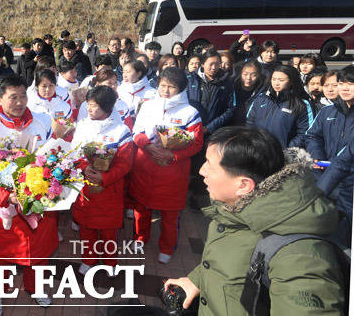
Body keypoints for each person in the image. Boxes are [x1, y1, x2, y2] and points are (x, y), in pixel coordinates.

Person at [164, 126, 346, 315]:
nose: (202, 171)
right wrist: (197, 279)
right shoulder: (236, 209)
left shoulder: (300, 257)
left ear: (243, 185)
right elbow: (231, 264)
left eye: (210, 164)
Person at [0, 74, 56, 314]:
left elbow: (55, 157)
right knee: (0, 255)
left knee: (39, 253)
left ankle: (36, 288)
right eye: (13, 97)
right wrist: (5, 195)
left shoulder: (42, 121)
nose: (20, 102)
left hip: (38, 203)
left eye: (23, 96)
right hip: (4, 205)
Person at [131, 67, 204, 264]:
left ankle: (167, 247)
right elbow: (136, 132)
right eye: (163, 85)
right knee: (141, 208)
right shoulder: (148, 106)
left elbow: (196, 143)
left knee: (170, 216)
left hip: (172, 172)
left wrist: (172, 155)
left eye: (171, 87)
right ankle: (140, 237)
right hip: (145, 165)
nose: (166, 90)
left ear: (180, 89)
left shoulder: (190, 113)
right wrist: (148, 146)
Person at [71, 85, 133, 273]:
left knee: (108, 231)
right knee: (87, 228)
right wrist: (84, 168)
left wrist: (104, 177)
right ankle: (88, 260)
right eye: (88, 104)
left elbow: (125, 164)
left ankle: (110, 262)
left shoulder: (121, 131)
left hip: (109, 191)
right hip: (86, 187)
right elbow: (74, 154)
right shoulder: (82, 126)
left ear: (107, 108)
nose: (89, 109)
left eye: (94, 106)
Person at [306, 66, 354, 238]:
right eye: (342, 83)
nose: (345, 88)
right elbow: (312, 136)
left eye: (351, 83)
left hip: (348, 186)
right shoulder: (328, 111)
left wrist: (320, 191)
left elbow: (346, 158)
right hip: (324, 176)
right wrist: (318, 157)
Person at [246, 65, 313, 148]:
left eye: (281, 80)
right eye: (273, 79)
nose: (276, 83)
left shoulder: (301, 104)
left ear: (291, 81)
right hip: (258, 150)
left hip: (284, 154)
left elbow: (305, 132)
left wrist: (289, 148)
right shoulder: (260, 99)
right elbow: (250, 124)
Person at [186, 50, 234, 135]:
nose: (214, 67)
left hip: (213, 132)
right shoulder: (190, 79)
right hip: (190, 128)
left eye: (217, 64)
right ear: (202, 64)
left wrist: (209, 127)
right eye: (211, 64)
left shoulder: (226, 82)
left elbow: (229, 110)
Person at [229, 60, 265, 126]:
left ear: (259, 75)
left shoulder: (263, 92)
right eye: (245, 74)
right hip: (231, 126)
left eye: (253, 75)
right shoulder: (231, 88)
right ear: (240, 74)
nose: (248, 78)